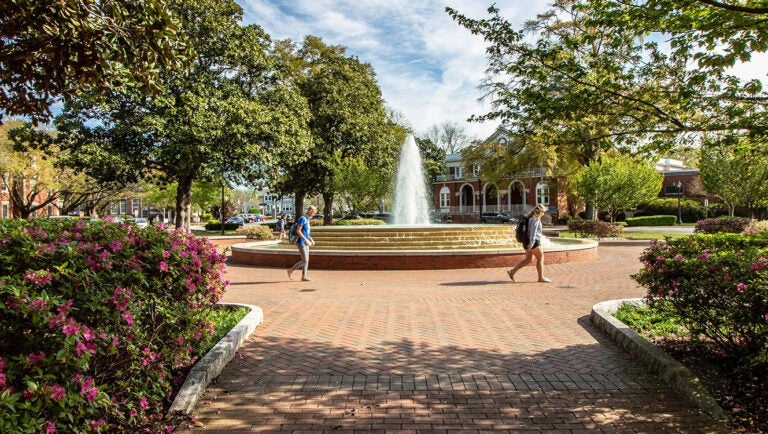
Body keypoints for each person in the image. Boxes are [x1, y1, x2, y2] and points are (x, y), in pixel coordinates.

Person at [507, 204, 552, 283]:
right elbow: (533, 232)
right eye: (543, 212)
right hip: (534, 242)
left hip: (526, 241)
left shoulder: (529, 218)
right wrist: (532, 243)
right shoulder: (536, 219)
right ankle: (541, 278)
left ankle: (512, 271)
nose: (544, 214)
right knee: (540, 257)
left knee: (529, 259)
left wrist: (529, 242)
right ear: (540, 212)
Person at [287, 205, 317, 281]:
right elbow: (298, 231)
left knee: (306, 260)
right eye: (313, 213)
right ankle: (290, 270)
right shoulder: (302, 219)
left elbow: (306, 232)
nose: (314, 215)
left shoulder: (307, 219)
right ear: (310, 212)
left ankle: (304, 276)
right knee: (305, 260)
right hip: (301, 242)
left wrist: (311, 239)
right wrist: (306, 240)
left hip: (305, 241)